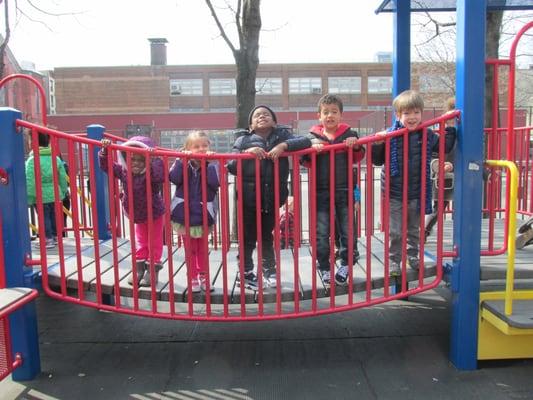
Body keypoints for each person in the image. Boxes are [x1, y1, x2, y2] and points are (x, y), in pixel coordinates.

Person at [372, 90, 456, 276]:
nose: (412, 117)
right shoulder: (390, 135)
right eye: (407, 113)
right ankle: (394, 261)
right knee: (396, 231)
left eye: (416, 112)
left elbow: (445, 146)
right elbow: (377, 160)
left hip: (417, 191)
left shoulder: (425, 134)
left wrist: (450, 126)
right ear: (398, 115)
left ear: (421, 113)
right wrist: (377, 143)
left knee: (413, 230)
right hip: (395, 193)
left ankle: (413, 256)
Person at [227, 105, 311, 290]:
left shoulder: (282, 136)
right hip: (248, 198)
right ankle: (246, 272)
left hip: (272, 197)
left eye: (266, 114)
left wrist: (283, 146)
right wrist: (245, 154)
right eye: (257, 115)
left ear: (274, 121)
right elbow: (231, 165)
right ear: (251, 124)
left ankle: (269, 271)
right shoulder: (243, 139)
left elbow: (306, 141)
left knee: (266, 235)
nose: (262, 116)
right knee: (247, 237)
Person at [302, 94, 365, 287]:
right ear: (319, 116)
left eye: (334, 112)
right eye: (326, 112)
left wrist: (354, 145)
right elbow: (304, 161)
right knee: (322, 231)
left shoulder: (349, 134)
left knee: (347, 230)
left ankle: (346, 263)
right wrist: (311, 149)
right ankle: (323, 265)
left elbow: (358, 156)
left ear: (341, 115)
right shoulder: (312, 137)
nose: (330, 115)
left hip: (344, 189)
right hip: (321, 191)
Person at [99, 136, 165, 287]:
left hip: (153, 212)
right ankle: (139, 268)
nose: (135, 163)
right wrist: (105, 150)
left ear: (147, 161)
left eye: (140, 160)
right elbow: (107, 166)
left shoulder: (150, 172)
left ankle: (152, 270)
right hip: (137, 214)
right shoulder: (123, 171)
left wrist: (153, 158)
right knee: (140, 241)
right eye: (132, 159)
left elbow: (160, 176)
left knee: (154, 242)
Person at [169, 131, 220, 293]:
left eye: (204, 145)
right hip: (184, 216)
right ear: (187, 149)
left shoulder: (213, 164)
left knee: (203, 249)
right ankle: (192, 277)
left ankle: (204, 276)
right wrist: (181, 160)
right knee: (190, 249)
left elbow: (215, 182)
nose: (201, 149)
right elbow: (174, 178)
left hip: (204, 215)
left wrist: (210, 163)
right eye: (196, 146)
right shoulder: (184, 162)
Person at [25, 132, 68, 249]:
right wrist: (63, 191)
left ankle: (47, 239)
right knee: (54, 215)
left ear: (33, 143)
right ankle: (55, 237)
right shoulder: (56, 158)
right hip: (55, 193)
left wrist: (30, 196)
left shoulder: (32, 161)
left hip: (40, 195)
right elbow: (62, 177)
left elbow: (30, 180)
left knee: (44, 217)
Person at [424, 97, 456, 241]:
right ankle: (424, 231)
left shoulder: (469, 134)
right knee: (439, 207)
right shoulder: (445, 133)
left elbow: (474, 155)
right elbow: (435, 155)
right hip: (446, 176)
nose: (453, 123)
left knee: (464, 205)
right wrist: (440, 166)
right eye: (451, 119)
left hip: (460, 173)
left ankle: (462, 235)